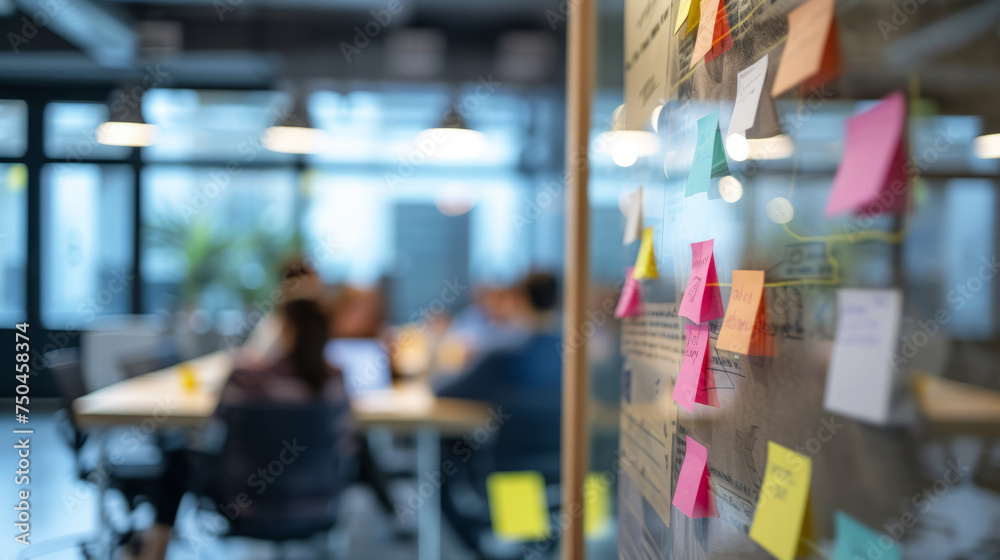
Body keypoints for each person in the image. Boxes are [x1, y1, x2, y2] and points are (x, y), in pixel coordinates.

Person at [131, 299, 350, 560]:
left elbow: (215, 428)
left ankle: (150, 552)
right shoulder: (334, 381)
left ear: (285, 328)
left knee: (179, 459)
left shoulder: (245, 376)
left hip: (243, 501)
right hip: (317, 501)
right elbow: (346, 443)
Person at [433, 272, 563, 554]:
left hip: (508, 475)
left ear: (520, 300)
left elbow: (441, 392)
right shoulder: (579, 354)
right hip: (569, 470)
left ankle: (480, 547)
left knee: (439, 455)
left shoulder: (503, 355)